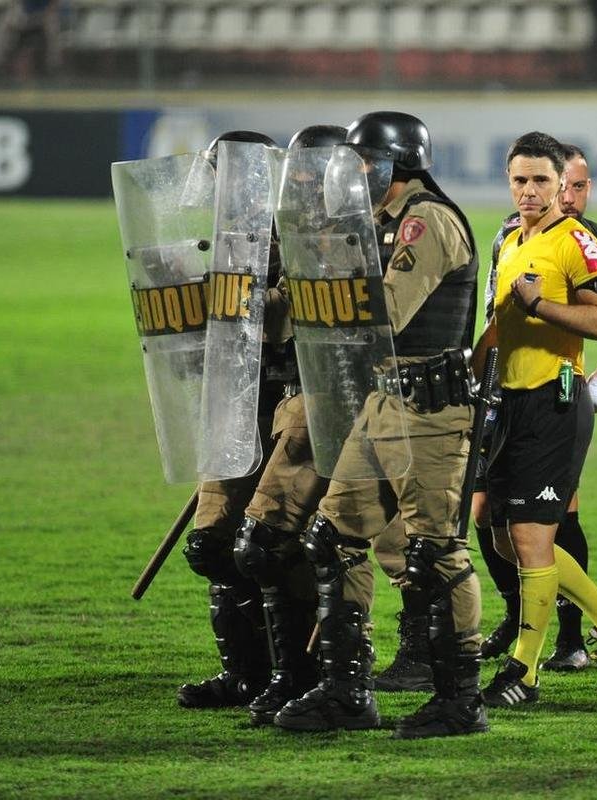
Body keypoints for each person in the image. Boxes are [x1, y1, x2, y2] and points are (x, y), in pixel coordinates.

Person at [272, 111, 489, 739]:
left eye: (365, 162)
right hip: (381, 400)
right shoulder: (379, 223)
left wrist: (319, 275)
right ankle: (346, 691)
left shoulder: (429, 222)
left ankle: (460, 700)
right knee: (331, 537)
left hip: (431, 410)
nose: (356, 174)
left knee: (434, 551)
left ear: (400, 163)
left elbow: (384, 311)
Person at [475, 131, 597, 706]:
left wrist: (541, 305)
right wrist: (477, 358)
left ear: (561, 184)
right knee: (502, 538)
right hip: (509, 402)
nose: (529, 190)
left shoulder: (577, 242)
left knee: (528, 538)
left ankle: (523, 671)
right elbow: (505, 321)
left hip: (555, 401)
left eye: (541, 181)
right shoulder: (509, 241)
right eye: (520, 180)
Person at [225, 125, 351, 727]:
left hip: (343, 407)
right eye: (295, 169)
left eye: (313, 168)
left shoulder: (362, 233)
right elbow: (272, 319)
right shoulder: (283, 234)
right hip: (280, 400)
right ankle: (277, 676)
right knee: (250, 546)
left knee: (397, 556)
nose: (300, 179)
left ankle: (339, 681)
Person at [175, 130, 292, 712]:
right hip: (228, 413)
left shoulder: (295, 237)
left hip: (283, 411)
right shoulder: (215, 244)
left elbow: (284, 321)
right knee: (212, 546)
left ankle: (293, 673)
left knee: (268, 546)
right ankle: (244, 674)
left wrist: (228, 298)